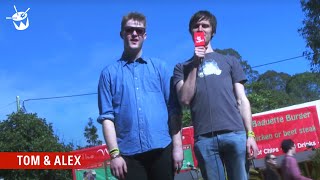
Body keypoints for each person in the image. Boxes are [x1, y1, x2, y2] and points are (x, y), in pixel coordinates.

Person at [173, 10, 259, 180]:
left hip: (235, 134)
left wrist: (250, 135)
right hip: (204, 140)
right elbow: (184, 99)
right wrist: (196, 64)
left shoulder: (230, 61)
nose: (200, 29)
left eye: (205, 26)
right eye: (196, 26)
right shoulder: (181, 68)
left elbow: (242, 100)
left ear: (213, 32)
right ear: (191, 32)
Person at [97, 12, 183, 180]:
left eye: (139, 30)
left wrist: (178, 147)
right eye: (129, 30)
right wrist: (114, 155)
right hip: (128, 156)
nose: (134, 34)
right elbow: (107, 118)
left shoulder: (161, 68)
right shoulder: (108, 74)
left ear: (145, 35)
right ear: (122, 33)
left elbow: (174, 110)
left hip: (163, 149)